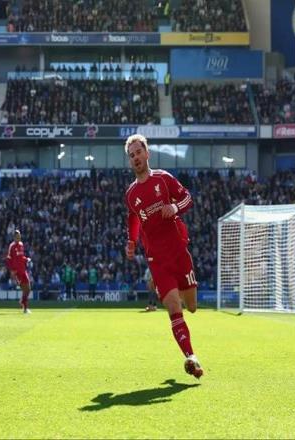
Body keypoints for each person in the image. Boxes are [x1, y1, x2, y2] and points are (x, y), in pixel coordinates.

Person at [124, 134, 203, 379]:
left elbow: (187, 197)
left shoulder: (163, 178)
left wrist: (175, 207)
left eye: (139, 152)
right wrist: (131, 241)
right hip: (157, 260)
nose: (136, 158)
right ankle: (191, 357)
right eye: (132, 155)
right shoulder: (131, 194)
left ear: (147, 153)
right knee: (173, 308)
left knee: (192, 307)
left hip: (179, 253)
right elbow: (133, 217)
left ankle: (179, 295)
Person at [6, 229, 32, 313]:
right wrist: (12, 270)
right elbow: (8, 259)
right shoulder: (12, 246)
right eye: (17, 237)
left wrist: (26, 259)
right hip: (17, 272)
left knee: (28, 289)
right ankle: (25, 308)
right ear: (14, 237)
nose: (18, 238)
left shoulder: (21, 244)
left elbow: (21, 257)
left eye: (19, 236)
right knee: (25, 289)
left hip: (23, 270)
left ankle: (22, 302)